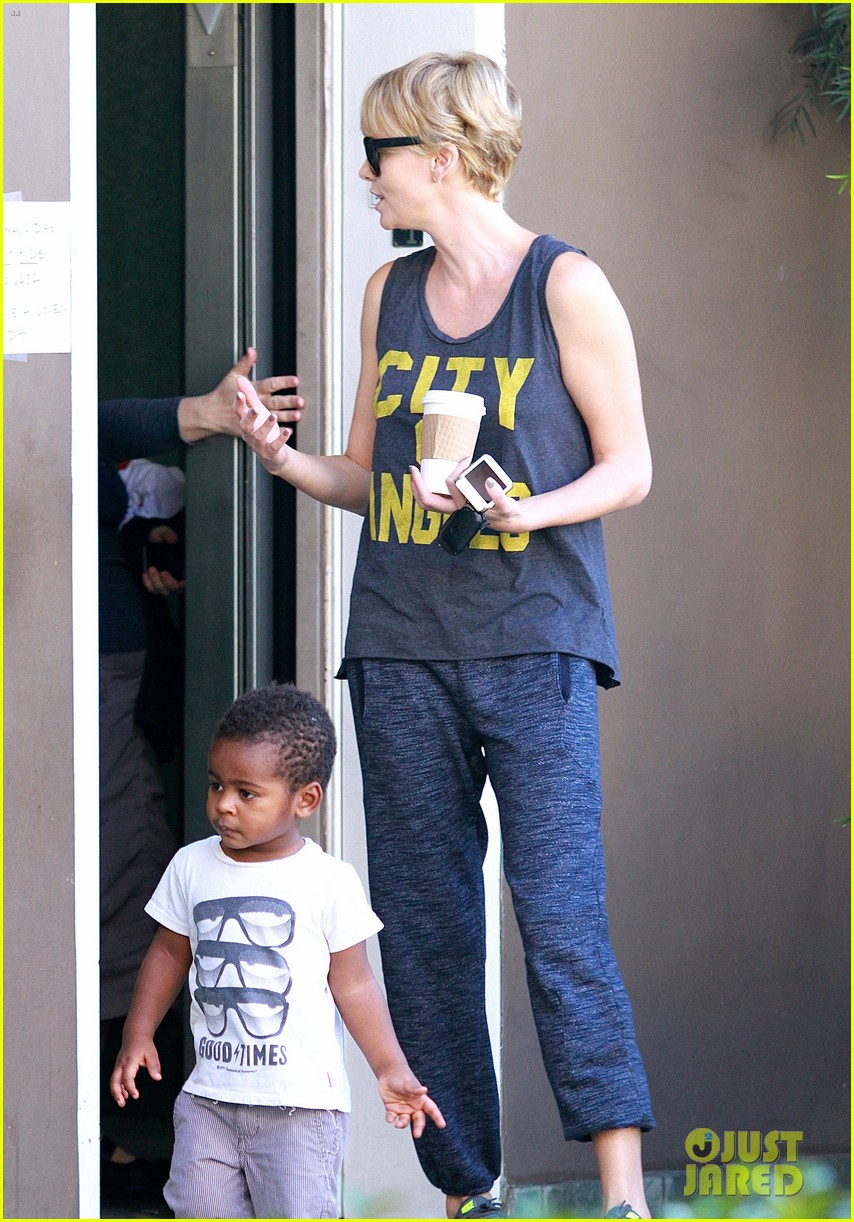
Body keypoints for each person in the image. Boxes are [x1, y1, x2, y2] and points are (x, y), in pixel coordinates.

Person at [234, 52, 655, 1221]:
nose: (364, 174)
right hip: (400, 642)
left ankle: (623, 1196)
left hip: (535, 639)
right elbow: (367, 477)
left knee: (558, 916)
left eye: (377, 153)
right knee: (422, 926)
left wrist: (529, 509)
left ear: (441, 157)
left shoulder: (565, 285)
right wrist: (278, 456)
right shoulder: (390, 291)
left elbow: (629, 466)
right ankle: (468, 1189)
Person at [110, 683, 445, 1219]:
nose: (223, 804)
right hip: (209, 1100)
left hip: (300, 1110)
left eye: (247, 793)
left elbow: (354, 983)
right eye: (216, 785)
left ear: (305, 800)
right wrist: (139, 1033)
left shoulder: (329, 881)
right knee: (197, 1209)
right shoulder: (191, 865)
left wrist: (389, 1068)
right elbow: (169, 953)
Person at [98, 350, 304, 1197]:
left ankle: (110, 1128)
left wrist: (205, 419)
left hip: (95, 665)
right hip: (75, 663)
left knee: (121, 882)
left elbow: (86, 432)